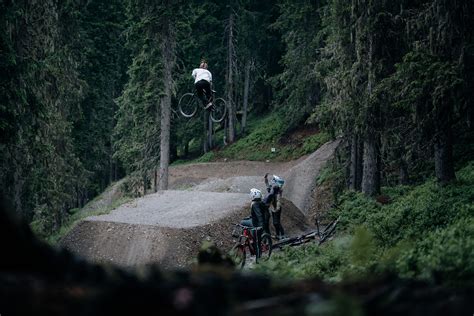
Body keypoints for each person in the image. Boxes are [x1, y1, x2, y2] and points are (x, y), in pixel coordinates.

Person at [240, 188, 269, 258]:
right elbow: (257, 214)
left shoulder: (255, 204)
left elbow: (259, 215)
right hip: (256, 221)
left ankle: (258, 259)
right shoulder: (260, 202)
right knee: (243, 222)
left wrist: (261, 226)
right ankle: (249, 237)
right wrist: (249, 217)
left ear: (253, 196)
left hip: (257, 224)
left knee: (257, 242)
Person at [264, 174, 285, 239]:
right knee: (276, 222)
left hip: (276, 208)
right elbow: (268, 186)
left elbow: (278, 200)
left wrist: (277, 209)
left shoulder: (278, 191)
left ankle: (281, 235)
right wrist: (266, 180)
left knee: (276, 222)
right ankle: (279, 234)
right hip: (274, 208)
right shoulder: (273, 190)